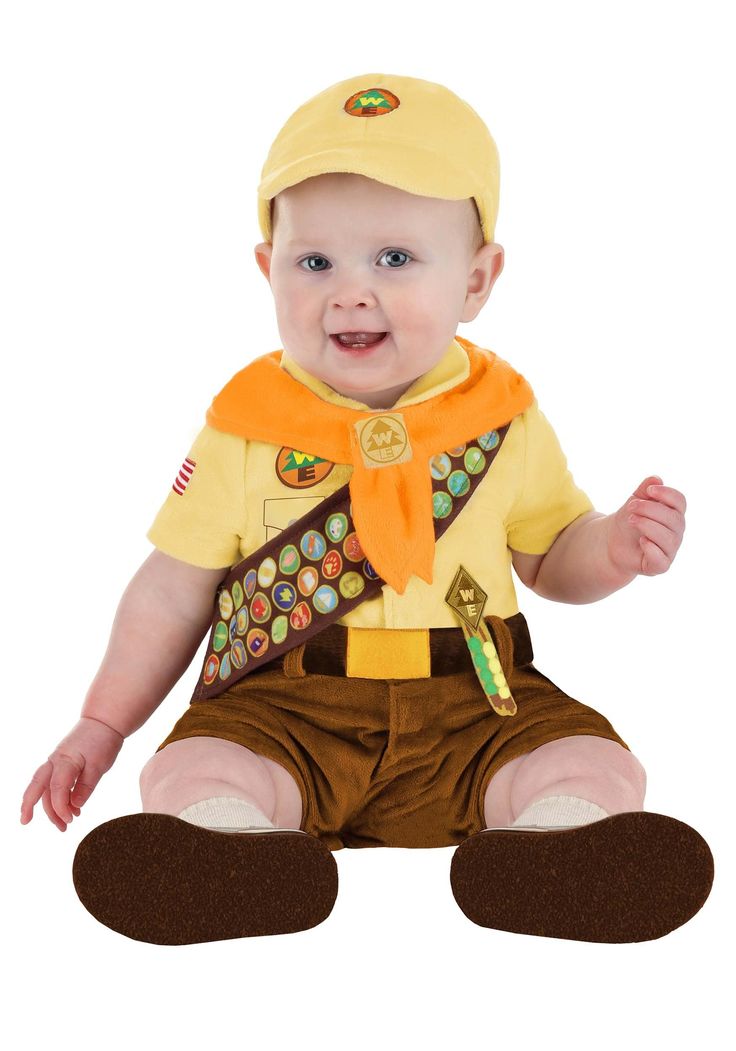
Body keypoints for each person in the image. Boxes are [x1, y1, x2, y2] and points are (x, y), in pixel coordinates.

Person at [20, 72, 713, 945]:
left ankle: (553, 849)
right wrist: (102, 723)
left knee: (596, 761)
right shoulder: (244, 427)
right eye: (316, 262)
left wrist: (612, 546)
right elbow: (170, 590)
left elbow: (550, 555)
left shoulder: (502, 418)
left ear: (478, 279)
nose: (351, 291)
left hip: (478, 704)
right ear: (269, 269)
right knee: (195, 765)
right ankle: (234, 851)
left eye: (395, 258)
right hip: (288, 706)